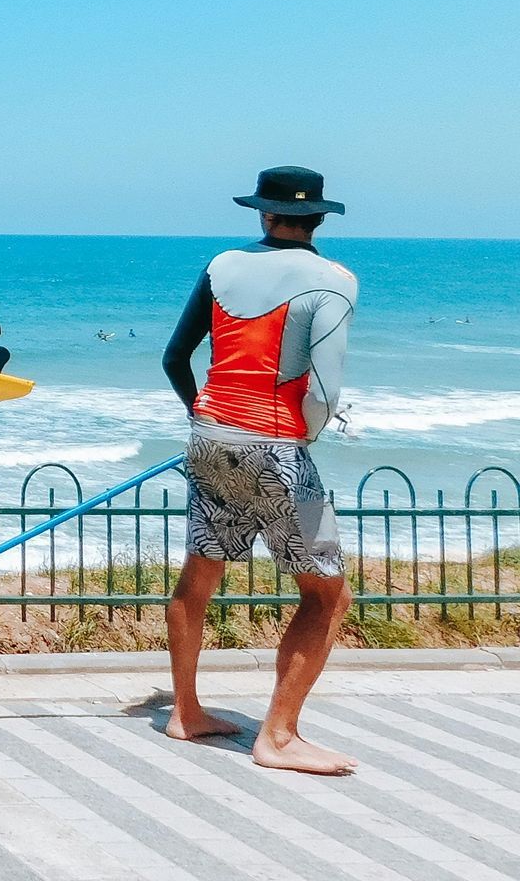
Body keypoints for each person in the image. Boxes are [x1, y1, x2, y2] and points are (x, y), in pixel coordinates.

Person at [161, 166, 359, 774]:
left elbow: (174, 357)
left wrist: (209, 415)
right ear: (319, 217)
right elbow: (323, 391)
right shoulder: (334, 281)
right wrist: (303, 436)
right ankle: (277, 737)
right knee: (328, 594)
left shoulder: (221, 267)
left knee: (201, 573)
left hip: (210, 439)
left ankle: (185, 711)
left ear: (262, 214)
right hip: (278, 449)